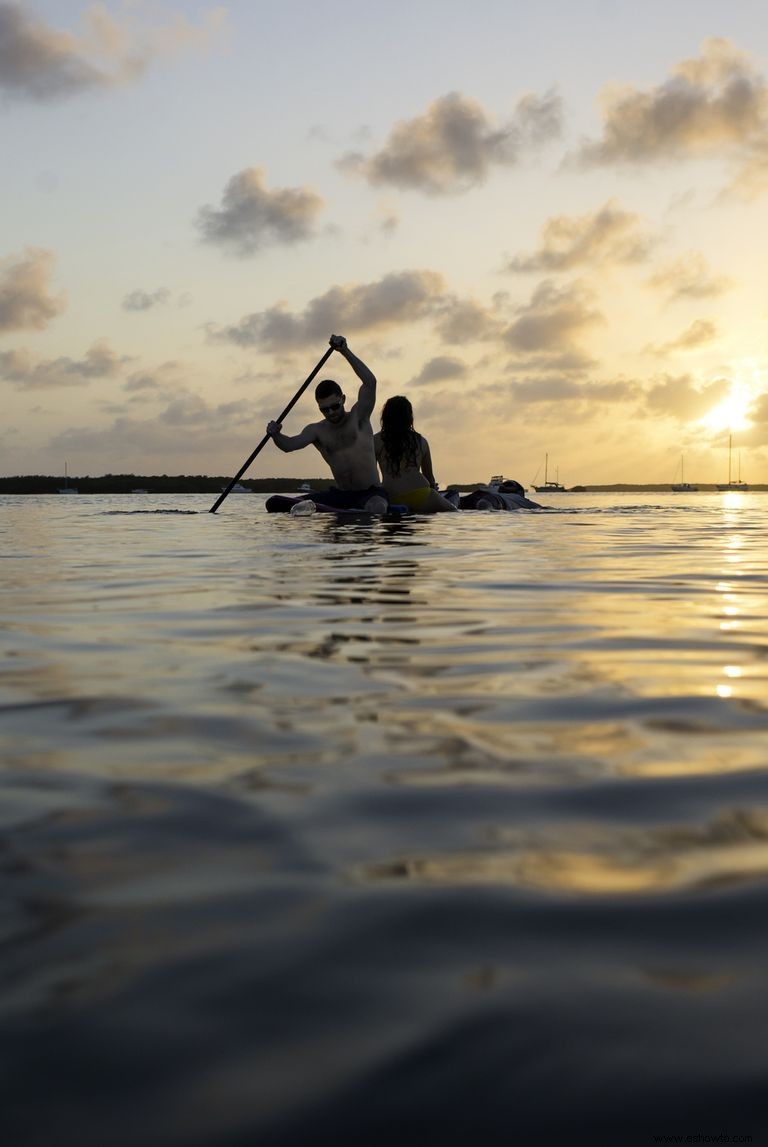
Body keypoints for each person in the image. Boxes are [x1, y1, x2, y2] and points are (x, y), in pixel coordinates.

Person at [266, 335, 388, 513]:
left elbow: (370, 382)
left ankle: (356, 513)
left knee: (376, 507)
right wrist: (275, 435)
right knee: (274, 503)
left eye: (335, 406)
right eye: (325, 409)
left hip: (370, 493)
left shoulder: (358, 417)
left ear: (343, 399)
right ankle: (342, 511)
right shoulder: (317, 430)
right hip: (339, 496)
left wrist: (344, 351)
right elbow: (288, 445)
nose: (331, 412)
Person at [373, 396, 457, 512]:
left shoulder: (375, 441)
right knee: (454, 511)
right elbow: (429, 477)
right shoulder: (421, 441)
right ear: (409, 417)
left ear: (385, 416)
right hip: (421, 494)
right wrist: (434, 488)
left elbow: (372, 477)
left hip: (392, 497)